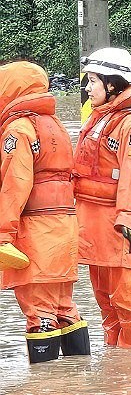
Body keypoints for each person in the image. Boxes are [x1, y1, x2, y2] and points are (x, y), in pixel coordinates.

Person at [0, 61, 88, 362]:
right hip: (65, 228)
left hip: (36, 232)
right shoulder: (56, 126)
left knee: (40, 312)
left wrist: (2, 235)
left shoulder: (19, 129)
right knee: (64, 308)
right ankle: (82, 381)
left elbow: (16, 184)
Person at [73, 47, 131, 350]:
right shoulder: (98, 119)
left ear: (112, 84)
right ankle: (115, 368)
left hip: (118, 226)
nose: (87, 88)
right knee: (106, 304)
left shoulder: (130, 124)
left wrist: (128, 219)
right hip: (93, 226)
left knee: (128, 302)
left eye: (92, 81)